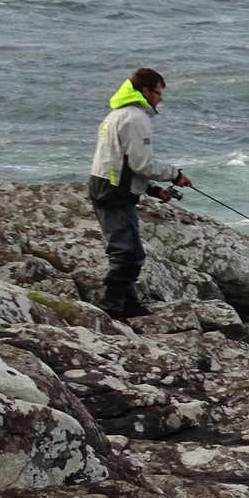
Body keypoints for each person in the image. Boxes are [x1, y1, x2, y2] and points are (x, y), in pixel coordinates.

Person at [87, 66, 192, 319]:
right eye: (158, 93)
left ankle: (129, 304)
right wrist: (174, 174)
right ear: (145, 91)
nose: (161, 99)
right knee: (128, 255)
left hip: (108, 187)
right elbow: (141, 164)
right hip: (114, 192)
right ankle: (111, 308)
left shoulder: (118, 115)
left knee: (126, 251)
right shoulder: (135, 118)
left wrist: (153, 189)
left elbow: (121, 162)